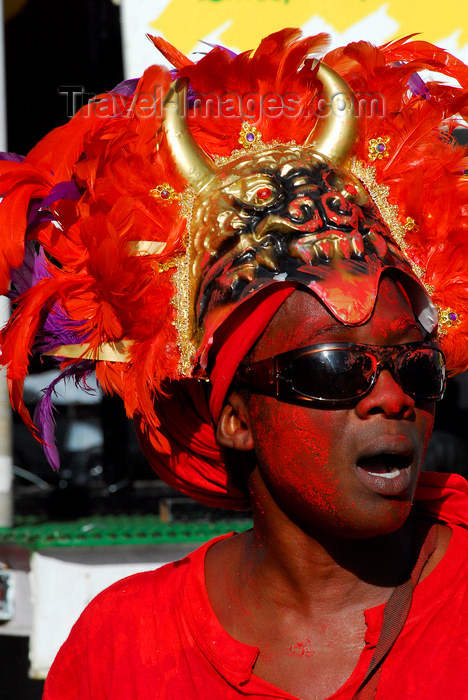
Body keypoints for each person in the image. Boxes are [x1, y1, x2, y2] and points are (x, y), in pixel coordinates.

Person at [1, 29, 468, 699]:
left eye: (416, 366)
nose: (392, 397)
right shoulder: (124, 645)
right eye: (334, 367)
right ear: (235, 418)